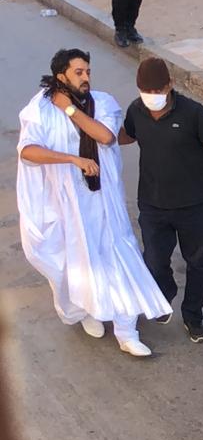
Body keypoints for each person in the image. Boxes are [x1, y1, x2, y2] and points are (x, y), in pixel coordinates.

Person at [16, 48, 170, 357]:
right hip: (69, 204)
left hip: (105, 199)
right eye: (78, 72)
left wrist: (71, 111)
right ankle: (88, 311)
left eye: (88, 71)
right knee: (79, 262)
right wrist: (72, 158)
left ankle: (127, 331)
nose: (86, 77)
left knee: (119, 255)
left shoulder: (102, 102)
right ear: (61, 76)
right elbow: (28, 151)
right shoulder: (40, 110)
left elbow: (105, 137)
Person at [117, 58, 203, 343]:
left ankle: (193, 316)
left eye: (156, 91)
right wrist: (92, 134)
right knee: (153, 260)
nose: (151, 97)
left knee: (197, 262)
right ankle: (163, 297)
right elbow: (125, 136)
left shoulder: (194, 114)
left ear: (170, 85)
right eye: (145, 91)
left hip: (193, 205)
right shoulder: (136, 111)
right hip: (152, 204)